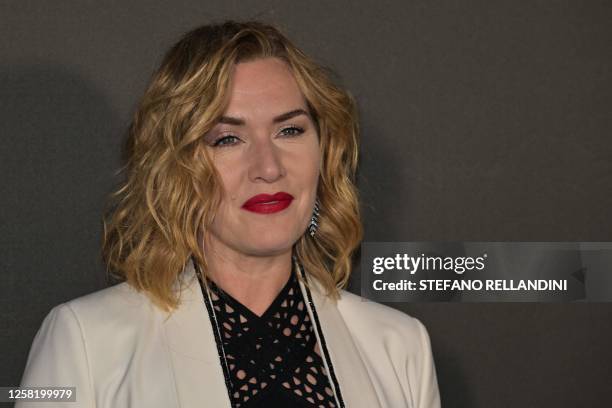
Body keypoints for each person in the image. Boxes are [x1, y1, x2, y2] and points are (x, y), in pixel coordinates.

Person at [17, 21, 441, 408]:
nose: (269, 167)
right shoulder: (85, 342)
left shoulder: (400, 347)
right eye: (227, 139)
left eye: (289, 130)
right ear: (175, 164)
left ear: (324, 152)